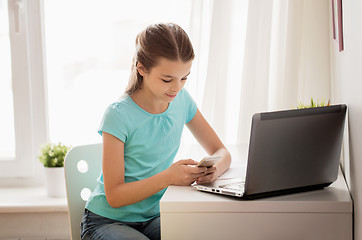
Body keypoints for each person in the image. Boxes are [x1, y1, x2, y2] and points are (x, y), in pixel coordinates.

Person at [80, 23, 231, 240]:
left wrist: (214, 170)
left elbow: (221, 151)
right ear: (141, 69)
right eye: (167, 79)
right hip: (107, 220)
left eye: (184, 78)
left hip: (156, 216)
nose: (176, 88)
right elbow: (114, 196)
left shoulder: (182, 101)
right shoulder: (118, 114)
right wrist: (168, 177)